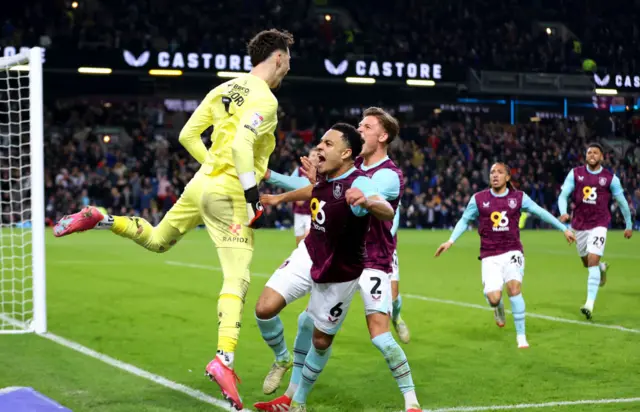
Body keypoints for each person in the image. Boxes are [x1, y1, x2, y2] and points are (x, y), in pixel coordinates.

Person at [52, 29, 295, 410]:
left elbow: (187, 134)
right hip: (228, 194)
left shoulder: (225, 88)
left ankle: (101, 217)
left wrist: (214, 166)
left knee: (158, 240)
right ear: (278, 58)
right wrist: (250, 197)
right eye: (288, 62)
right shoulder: (265, 98)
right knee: (238, 275)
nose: (287, 70)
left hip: (200, 184)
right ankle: (224, 359)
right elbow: (243, 144)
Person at [255, 108, 420, 412]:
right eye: (358, 125)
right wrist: (276, 185)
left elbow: (375, 203)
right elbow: (326, 189)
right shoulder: (350, 164)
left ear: (382, 136)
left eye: (366, 126)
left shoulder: (385, 175)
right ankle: (291, 394)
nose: (360, 129)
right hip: (327, 248)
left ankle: (411, 400)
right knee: (300, 320)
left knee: (377, 335)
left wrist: (366, 199)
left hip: (371, 259)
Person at [435, 163, 575, 349]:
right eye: (492, 172)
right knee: (493, 298)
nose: (495, 175)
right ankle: (498, 308)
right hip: (489, 254)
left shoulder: (518, 198)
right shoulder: (478, 199)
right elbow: (464, 220)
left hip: (512, 250)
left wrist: (563, 228)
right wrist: (450, 241)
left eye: (500, 172)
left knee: (514, 289)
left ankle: (521, 337)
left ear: (508, 177)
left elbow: (540, 212)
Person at [557, 143, 633, 319]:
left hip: (599, 224)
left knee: (591, 260)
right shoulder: (575, 174)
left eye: (595, 153)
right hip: (579, 225)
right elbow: (563, 195)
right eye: (589, 152)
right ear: (585, 156)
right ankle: (601, 268)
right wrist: (563, 212)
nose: (592, 155)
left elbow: (622, 202)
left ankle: (589, 304)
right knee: (587, 263)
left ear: (602, 157)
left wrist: (628, 224)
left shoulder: (610, 178)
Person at [265, 148, 320, 245]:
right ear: (308, 157)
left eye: (317, 156)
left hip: (313, 213)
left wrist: (305, 197)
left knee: (308, 239)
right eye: (313, 155)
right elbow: (289, 184)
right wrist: (297, 197)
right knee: (299, 243)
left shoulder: (321, 172)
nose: (315, 158)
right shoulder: (299, 171)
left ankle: (311, 258)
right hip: (299, 212)